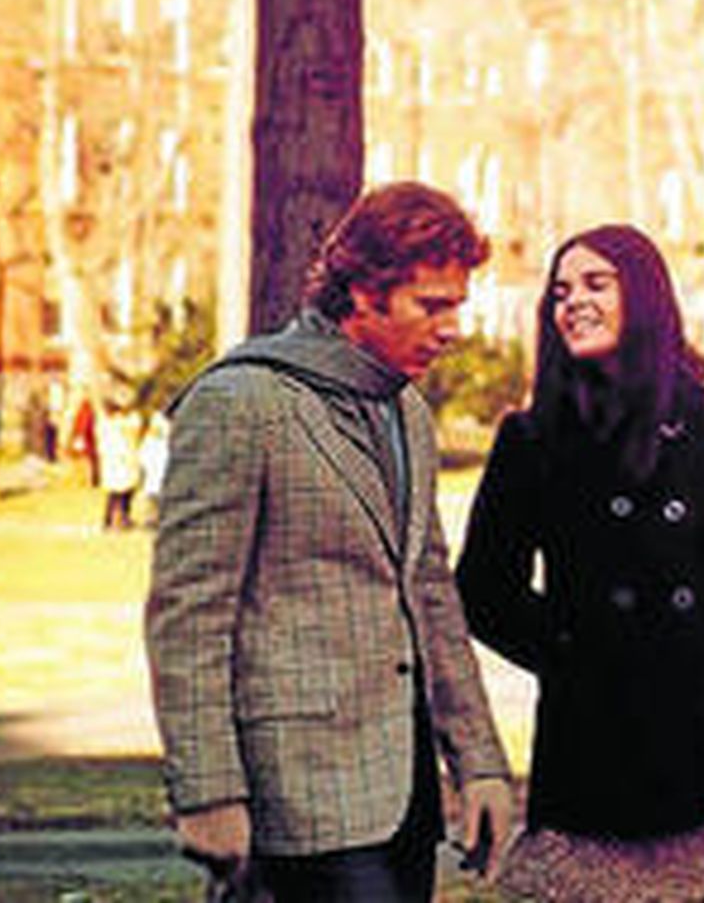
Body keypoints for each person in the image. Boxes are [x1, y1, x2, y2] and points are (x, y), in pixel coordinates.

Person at [145, 181, 514, 902]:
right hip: (296, 795)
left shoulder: (407, 412)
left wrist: (480, 764)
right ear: (364, 292)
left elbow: (431, 598)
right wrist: (207, 791)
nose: (451, 330)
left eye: (457, 306)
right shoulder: (241, 401)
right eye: (431, 306)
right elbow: (188, 617)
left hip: (403, 798)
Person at [457, 224, 704, 902]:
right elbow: (485, 589)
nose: (574, 302)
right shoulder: (531, 439)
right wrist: (572, 648)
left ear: (642, 296)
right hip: (591, 755)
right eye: (561, 292)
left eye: (596, 283)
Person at [96, 398, 141, 530]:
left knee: (125, 491)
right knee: (116, 492)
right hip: (117, 460)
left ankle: (123, 518)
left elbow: (134, 428)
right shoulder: (110, 423)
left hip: (123, 460)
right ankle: (110, 520)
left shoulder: (118, 422)